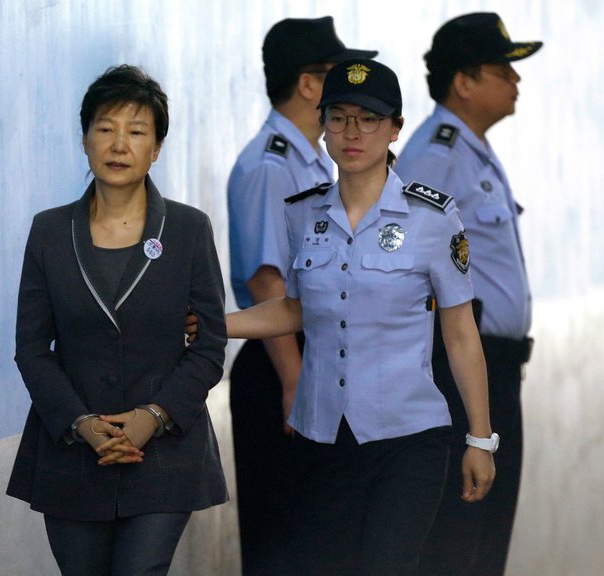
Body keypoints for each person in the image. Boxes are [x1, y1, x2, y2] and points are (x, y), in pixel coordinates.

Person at [225, 58, 497, 575]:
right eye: (339, 117)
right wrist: (217, 324)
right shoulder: (302, 212)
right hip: (321, 436)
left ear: (395, 128)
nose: (353, 132)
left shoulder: (434, 217)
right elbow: (298, 309)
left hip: (409, 442)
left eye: (369, 119)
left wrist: (480, 439)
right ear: (323, 126)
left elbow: (460, 334)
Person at [6, 64, 228, 576]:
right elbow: (32, 348)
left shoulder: (189, 230)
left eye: (136, 132)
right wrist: (82, 424)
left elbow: (209, 345)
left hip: (165, 452)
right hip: (72, 453)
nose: (119, 145)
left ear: (156, 148)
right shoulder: (49, 232)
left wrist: (153, 417)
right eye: (105, 129)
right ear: (85, 140)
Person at [226, 17, 376, 575]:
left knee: (326, 541)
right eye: (339, 76)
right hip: (284, 367)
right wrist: (294, 381)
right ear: (309, 86)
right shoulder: (271, 165)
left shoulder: (314, 161)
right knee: (283, 545)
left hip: (319, 366)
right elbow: (268, 281)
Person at [395, 13, 541, 575]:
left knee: (487, 537)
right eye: (504, 69)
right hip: (460, 372)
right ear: (464, 81)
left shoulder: (471, 150)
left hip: (498, 370)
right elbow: (407, 265)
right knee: (458, 538)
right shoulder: (437, 154)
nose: (516, 81)